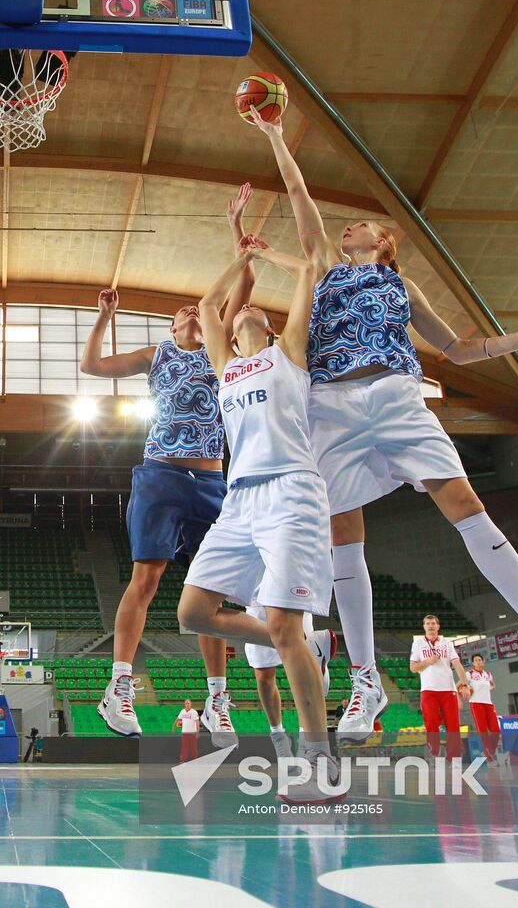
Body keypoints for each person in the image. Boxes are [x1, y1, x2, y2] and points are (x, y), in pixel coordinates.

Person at [248, 104, 518, 739]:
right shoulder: (319, 269)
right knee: (345, 534)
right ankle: (365, 682)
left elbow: (459, 350)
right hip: (333, 407)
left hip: (400, 398)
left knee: (465, 504)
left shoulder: (403, 287)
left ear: (383, 240)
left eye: (359, 224)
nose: (347, 229)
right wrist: (273, 135)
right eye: (342, 226)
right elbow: (297, 192)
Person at [81, 185, 256, 741]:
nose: (186, 311)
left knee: (212, 588)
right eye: (178, 312)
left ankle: (218, 698)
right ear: (172, 328)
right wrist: (104, 316)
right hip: (160, 472)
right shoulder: (156, 355)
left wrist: (237, 229)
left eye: (194, 310)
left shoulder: (220, 349)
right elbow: (92, 366)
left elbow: (244, 284)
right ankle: (119, 688)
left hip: (211, 479)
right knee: (147, 577)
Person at [176, 238, 342, 802]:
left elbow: (311, 273)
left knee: (283, 628)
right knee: (193, 613)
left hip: (291, 492)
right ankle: (293, 638)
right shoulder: (227, 366)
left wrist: (271, 255)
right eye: (240, 307)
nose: (243, 309)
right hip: (239, 500)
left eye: (253, 308)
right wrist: (241, 258)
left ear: (269, 327)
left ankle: (320, 761)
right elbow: (204, 309)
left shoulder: (288, 354)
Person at [244, 602, 335, 762]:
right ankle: (278, 735)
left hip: (293, 597)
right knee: (264, 679)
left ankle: (305, 737)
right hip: (259, 602)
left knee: (302, 671)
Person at [410, 615, 468, 759]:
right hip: (429, 689)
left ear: (438, 626)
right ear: (424, 627)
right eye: (428, 624)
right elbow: (413, 668)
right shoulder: (418, 644)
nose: (431, 626)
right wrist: (428, 661)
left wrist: (465, 684)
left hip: (448, 689)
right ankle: (434, 751)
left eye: (433, 623)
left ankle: (453, 756)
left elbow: (457, 664)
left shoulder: (447, 643)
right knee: (431, 722)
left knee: (453, 724)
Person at [465, 652, 503, 764]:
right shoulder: (469, 674)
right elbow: (459, 685)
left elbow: (493, 684)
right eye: (475, 660)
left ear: (483, 662)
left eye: (480, 660)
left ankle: (489, 751)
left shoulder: (488, 674)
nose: (478, 661)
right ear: (473, 663)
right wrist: (466, 689)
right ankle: (490, 757)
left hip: (488, 703)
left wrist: (486, 690)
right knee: (483, 731)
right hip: (476, 703)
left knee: (496, 730)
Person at [172, 697, 199, 762]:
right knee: (184, 747)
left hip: (192, 732)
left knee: (193, 747)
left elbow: (197, 722)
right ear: (184, 704)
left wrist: (197, 732)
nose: (187, 704)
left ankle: (194, 759)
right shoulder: (182, 711)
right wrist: (173, 727)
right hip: (184, 732)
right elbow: (177, 719)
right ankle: (183, 759)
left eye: (188, 703)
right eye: (186, 703)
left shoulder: (194, 712)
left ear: (191, 704)